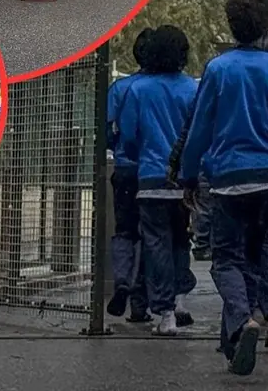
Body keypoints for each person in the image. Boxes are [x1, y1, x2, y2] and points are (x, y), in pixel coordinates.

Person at [178, 0, 268, 376]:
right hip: (267, 176)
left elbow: (200, 129)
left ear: (230, 23)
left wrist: (187, 174)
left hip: (228, 177)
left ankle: (243, 319)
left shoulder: (219, 68)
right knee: (262, 248)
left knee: (226, 259)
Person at [116, 25, 200, 336]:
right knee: (181, 240)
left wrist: (141, 153)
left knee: (156, 245)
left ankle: (165, 314)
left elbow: (128, 135)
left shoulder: (139, 90)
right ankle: (181, 299)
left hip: (150, 178)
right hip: (183, 181)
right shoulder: (192, 88)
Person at [105, 29, 154, 324]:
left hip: (124, 168)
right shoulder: (168, 85)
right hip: (155, 170)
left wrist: (117, 147)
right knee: (152, 237)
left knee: (124, 230)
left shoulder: (122, 88)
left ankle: (121, 279)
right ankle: (140, 302)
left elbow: (107, 124)